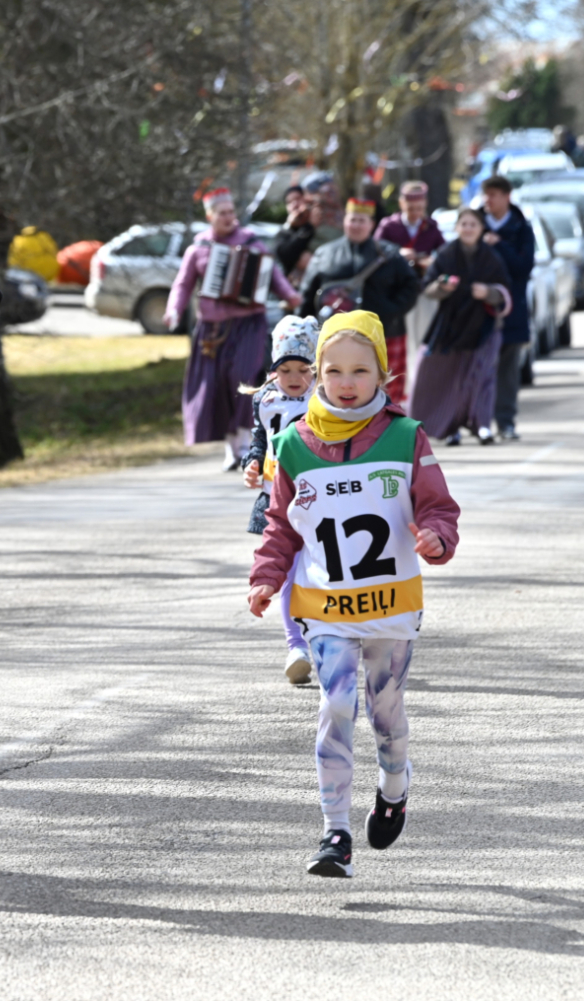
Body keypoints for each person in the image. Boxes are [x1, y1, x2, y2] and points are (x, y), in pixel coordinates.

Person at [247, 310, 461, 878]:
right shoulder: (293, 444)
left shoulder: (406, 437)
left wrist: (436, 538)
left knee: (386, 716)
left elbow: (439, 508)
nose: (346, 382)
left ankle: (394, 786)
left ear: (383, 375)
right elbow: (281, 525)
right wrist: (267, 575)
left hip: (391, 605)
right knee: (337, 704)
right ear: (317, 374)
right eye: (333, 370)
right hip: (325, 608)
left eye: (360, 371)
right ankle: (334, 832)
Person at [164, 187, 301, 469]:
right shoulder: (198, 248)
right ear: (210, 216)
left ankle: (245, 441)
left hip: (248, 323)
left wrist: (290, 295)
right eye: (222, 213)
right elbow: (183, 284)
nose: (229, 217)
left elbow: (273, 273)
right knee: (217, 385)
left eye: (231, 212)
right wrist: (173, 310)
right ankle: (231, 448)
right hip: (212, 330)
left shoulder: (252, 242)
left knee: (242, 377)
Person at [241, 315, 320, 684]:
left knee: (319, 573)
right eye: (284, 369)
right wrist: (253, 463)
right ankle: (296, 647)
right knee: (286, 573)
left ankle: (328, 638)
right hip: (276, 498)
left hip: (318, 498)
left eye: (303, 369)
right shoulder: (265, 398)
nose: (293, 377)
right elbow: (259, 439)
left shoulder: (324, 398)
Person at [299, 198, 421, 406]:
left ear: (371, 224)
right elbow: (308, 294)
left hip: (384, 334)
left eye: (361, 220)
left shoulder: (390, 254)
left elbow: (411, 286)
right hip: (333, 338)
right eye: (352, 219)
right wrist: (305, 329)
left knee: (387, 395)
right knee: (337, 393)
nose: (356, 225)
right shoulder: (324, 253)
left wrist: (391, 311)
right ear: (344, 221)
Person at [410, 209, 513, 446]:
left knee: (482, 377)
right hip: (451, 326)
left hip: (484, 328)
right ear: (456, 228)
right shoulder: (446, 254)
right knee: (447, 378)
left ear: (481, 229)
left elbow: (504, 289)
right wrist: (442, 287)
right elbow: (428, 288)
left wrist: (488, 293)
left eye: (473, 224)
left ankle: (483, 425)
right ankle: (450, 428)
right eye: (464, 224)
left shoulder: (491, 256)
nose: (468, 229)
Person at [477, 176, 536, 441]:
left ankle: (506, 422)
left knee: (508, 370)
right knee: (478, 369)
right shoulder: (475, 222)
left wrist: (499, 244)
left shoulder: (521, 227)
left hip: (512, 309)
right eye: (486, 194)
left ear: (507, 197)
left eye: (493, 194)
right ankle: (479, 422)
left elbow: (523, 267)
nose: (488, 200)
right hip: (478, 311)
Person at [271, 185, 316, 284]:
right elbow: (283, 253)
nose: (294, 204)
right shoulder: (285, 231)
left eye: (297, 199)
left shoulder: (318, 224)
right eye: (289, 202)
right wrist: (290, 226)